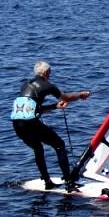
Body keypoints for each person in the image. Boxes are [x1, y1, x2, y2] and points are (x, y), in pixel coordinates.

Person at [11, 60, 90, 192]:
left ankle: (47, 182)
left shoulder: (25, 85)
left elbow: (33, 109)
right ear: (47, 72)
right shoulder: (47, 85)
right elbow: (66, 98)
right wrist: (80, 95)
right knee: (59, 145)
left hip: (17, 124)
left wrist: (54, 106)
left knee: (38, 148)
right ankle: (69, 183)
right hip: (31, 123)